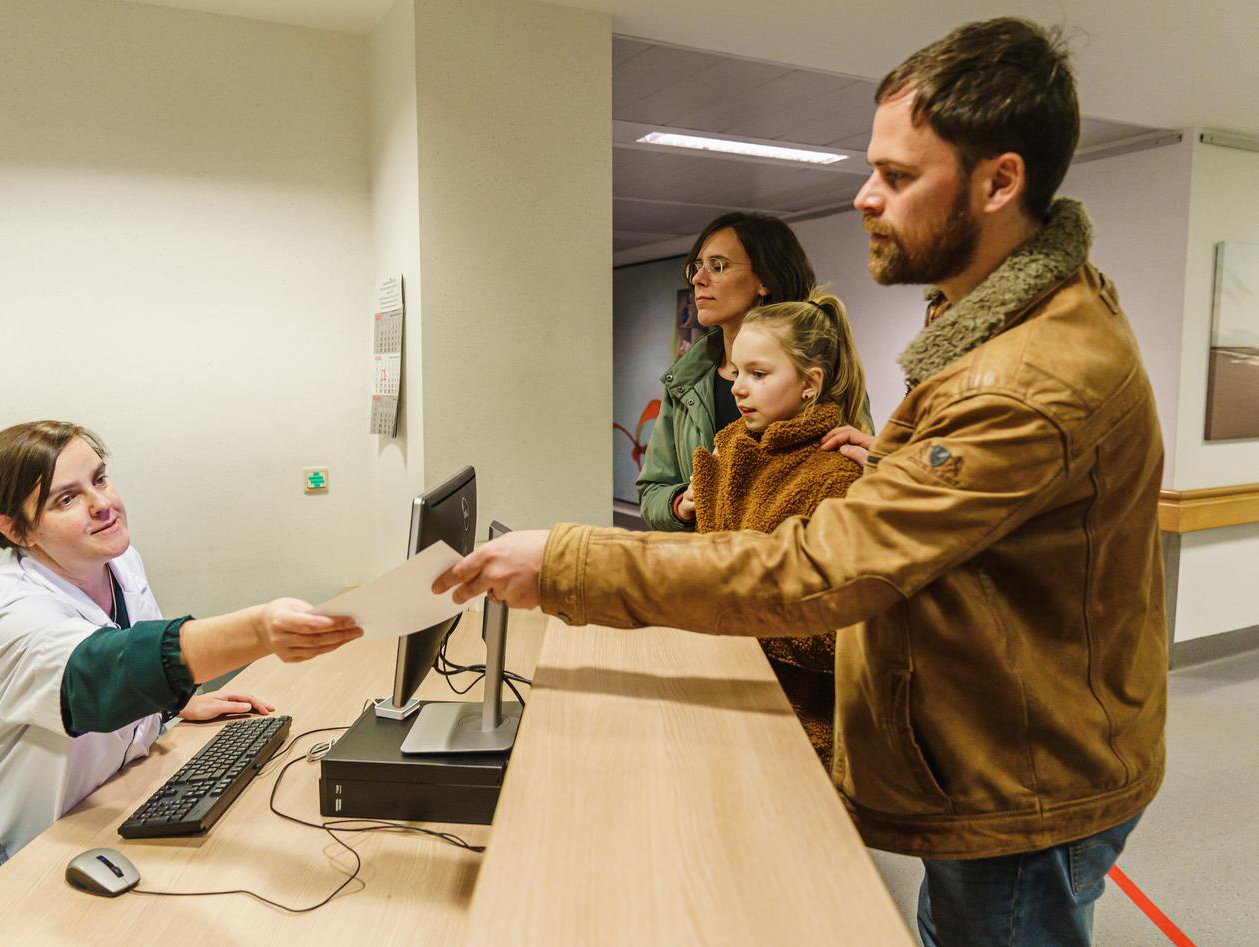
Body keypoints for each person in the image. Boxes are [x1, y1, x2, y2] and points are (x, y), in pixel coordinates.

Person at [437, 18, 1165, 947]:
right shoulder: (1000, 319)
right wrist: (903, 467)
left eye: (898, 177)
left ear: (1000, 182)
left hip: (1025, 780)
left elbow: (820, 574)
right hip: (996, 740)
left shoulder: (1029, 376)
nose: (864, 196)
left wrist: (571, 562)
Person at [0, 420, 363, 891]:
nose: (102, 505)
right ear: (17, 530)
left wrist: (173, 702)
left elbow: (129, 649)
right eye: (67, 499)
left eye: (99, 479)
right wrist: (260, 630)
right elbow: (101, 673)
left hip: (114, 799)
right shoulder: (3, 613)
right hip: (31, 848)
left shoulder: (117, 561)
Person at [691, 289, 866, 766]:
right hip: (724, 701)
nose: (738, 387)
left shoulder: (834, 477)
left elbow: (837, 636)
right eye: (736, 371)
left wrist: (716, 604)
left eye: (759, 374)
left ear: (811, 383)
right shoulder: (732, 450)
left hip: (795, 731)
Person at [635, 212, 818, 531]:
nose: (698, 279)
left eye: (717, 266)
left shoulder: (817, 375)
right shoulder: (685, 382)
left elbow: (850, 485)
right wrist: (682, 503)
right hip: (705, 568)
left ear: (764, 280)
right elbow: (653, 491)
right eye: (697, 266)